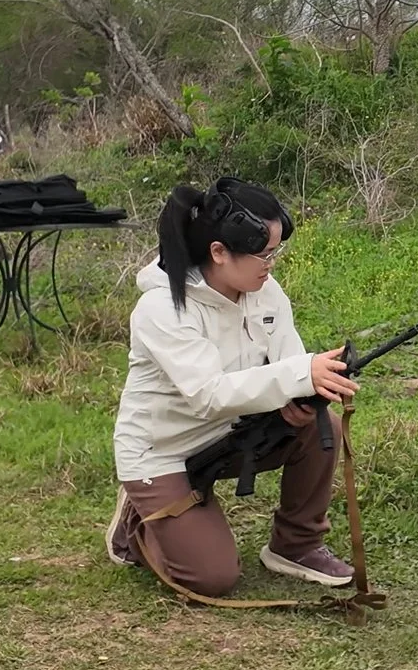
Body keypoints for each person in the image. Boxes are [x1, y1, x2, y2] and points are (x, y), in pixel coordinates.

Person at [106, 177, 361, 598]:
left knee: (322, 425)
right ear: (219, 252)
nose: (271, 264)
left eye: (276, 251)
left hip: (234, 432)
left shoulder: (265, 291)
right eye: (263, 254)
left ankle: (296, 546)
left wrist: (304, 397)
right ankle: (137, 520)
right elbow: (208, 395)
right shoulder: (161, 308)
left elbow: (287, 362)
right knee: (212, 578)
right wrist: (300, 374)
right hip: (162, 453)